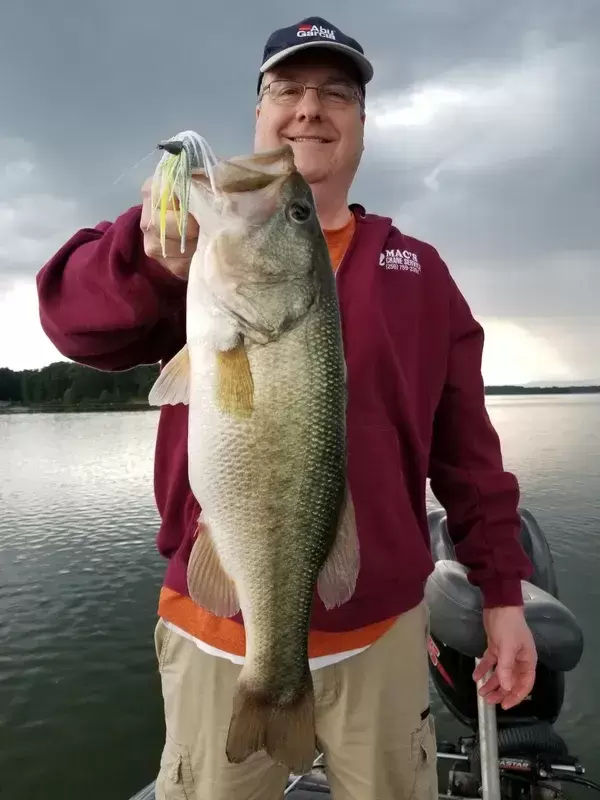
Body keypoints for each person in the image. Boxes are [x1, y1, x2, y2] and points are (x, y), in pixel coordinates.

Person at [36, 15, 537, 800]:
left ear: (362, 128)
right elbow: (72, 321)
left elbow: (469, 454)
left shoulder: (421, 274)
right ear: (260, 115)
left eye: (337, 93)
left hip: (382, 633)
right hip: (216, 634)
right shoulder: (194, 253)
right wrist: (146, 252)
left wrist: (503, 595)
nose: (310, 107)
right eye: (287, 89)